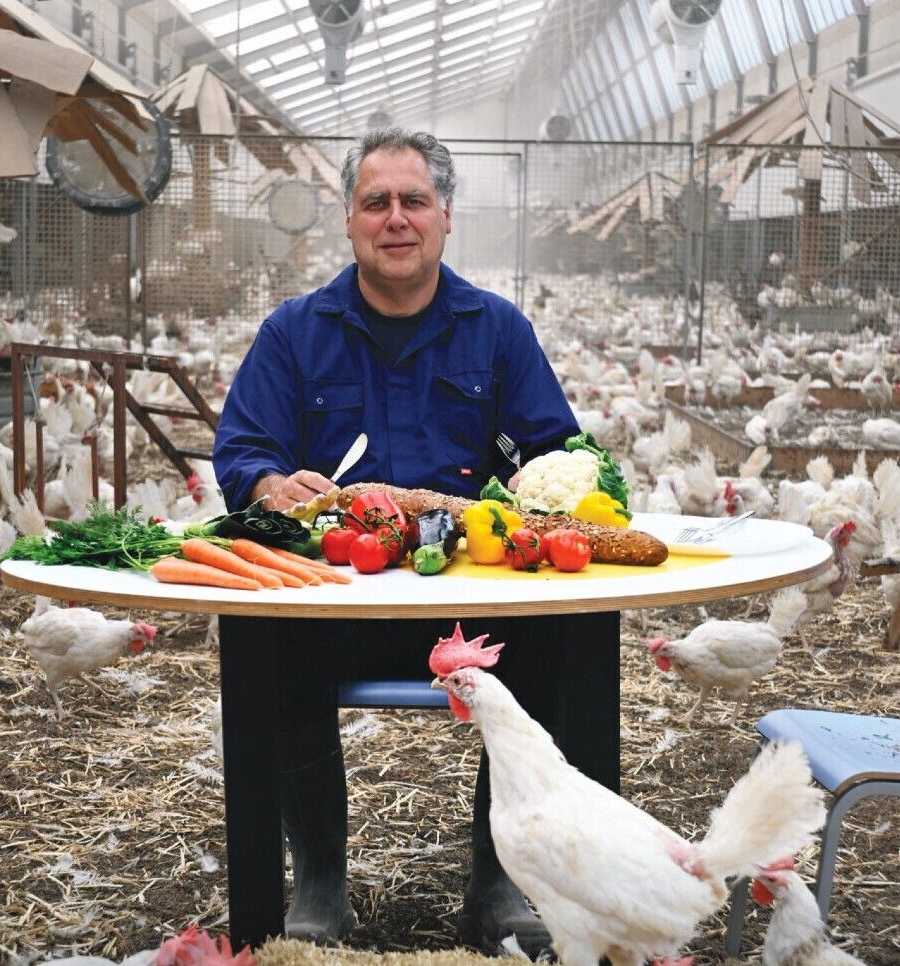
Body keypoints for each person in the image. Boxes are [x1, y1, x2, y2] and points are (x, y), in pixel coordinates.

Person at [213, 128, 579, 959]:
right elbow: (241, 450)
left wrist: (541, 487)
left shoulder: (498, 331)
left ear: (446, 216)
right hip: (336, 596)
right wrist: (270, 485)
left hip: (471, 604)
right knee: (265, 641)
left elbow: (556, 447)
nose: (396, 219)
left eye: (414, 201)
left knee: (565, 638)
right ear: (348, 220)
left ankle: (502, 882)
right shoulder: (296, 333)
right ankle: (318, 883)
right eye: (376, 202)